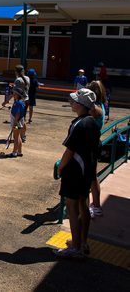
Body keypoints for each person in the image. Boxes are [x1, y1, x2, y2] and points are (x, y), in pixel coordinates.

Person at [55, 88, 100, 259]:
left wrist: (60, 168)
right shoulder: (93, 122)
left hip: (75, 171)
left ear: (81, 105)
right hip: (87, 169)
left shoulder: (78, 124)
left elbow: (69, 151)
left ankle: (75, 247)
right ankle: (82, 242)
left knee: (72, 207)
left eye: (74, 101)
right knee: (84, 204)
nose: (72, 103)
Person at [87, 80, 107, 219]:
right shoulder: (101, 105)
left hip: (90, 145)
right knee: (92, 177)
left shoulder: (95, 109)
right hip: (94, 143)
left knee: (89, 178)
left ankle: (91, 206)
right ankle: (96, 205)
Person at [9, 87, 27, 157]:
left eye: (14, 93)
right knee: (18, 136)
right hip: (19, 122)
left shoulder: (18, 103)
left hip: (17, 122)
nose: (13, 94)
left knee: (15, 137)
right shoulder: (19, 102)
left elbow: (18, 114)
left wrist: (15, 123)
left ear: (17, 94)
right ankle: (19, 152)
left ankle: (14, 152)